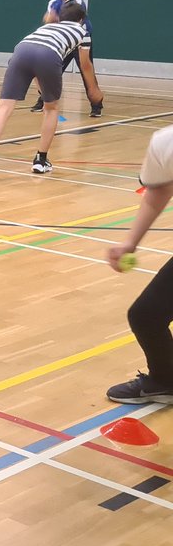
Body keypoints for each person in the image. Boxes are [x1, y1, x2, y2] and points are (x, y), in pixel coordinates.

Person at [0, 1, 89, 176]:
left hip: (22, 50)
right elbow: (85, 64)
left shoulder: (46, 27)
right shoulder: (82, 32)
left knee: (4, 106)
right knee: (51, 108)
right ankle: (40, 160)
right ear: (81, 19)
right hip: (49, 55)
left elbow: (34, 63)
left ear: (60, 17)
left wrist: (42, 88)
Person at [105, 126, 173, 404]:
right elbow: (159, 190)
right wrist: (130, 242)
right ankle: (165, 381)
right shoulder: (166, 143)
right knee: (146, 315)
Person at [29, 0, 103, 118]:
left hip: (81, 40)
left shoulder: (78, 2)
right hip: (63, 41)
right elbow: (49, 21)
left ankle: (96, 105)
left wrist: (54, 18)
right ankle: (44, 99)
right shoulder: (53, 2)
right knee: (51, 70)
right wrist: (49, 19)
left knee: (86, 72)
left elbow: (71, 22)